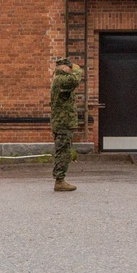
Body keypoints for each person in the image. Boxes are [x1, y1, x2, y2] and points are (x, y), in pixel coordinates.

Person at [51, 57, 83, 192]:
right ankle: (60, 180)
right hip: (63, 123)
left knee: (64, 151)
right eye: (69, 69)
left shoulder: (58, 80)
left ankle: (60, 179)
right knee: (63, 152)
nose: (71, 71)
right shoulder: (61, 80)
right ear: (64, 68)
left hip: (63, 122)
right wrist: (78, 70)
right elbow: (74, 80)